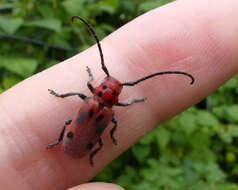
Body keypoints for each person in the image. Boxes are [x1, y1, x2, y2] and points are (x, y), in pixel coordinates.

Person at [0, 0, 237, 189]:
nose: (106, 85)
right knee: (101, 139)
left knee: (71, 124)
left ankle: (61, 141)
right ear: (110, 94)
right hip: (81, 145)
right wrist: (120, 118)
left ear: (102, 90)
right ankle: (78, 147)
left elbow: (87, 86)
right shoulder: (109, 113)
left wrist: (79, 85)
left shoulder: (92, 102)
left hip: (74, 142)